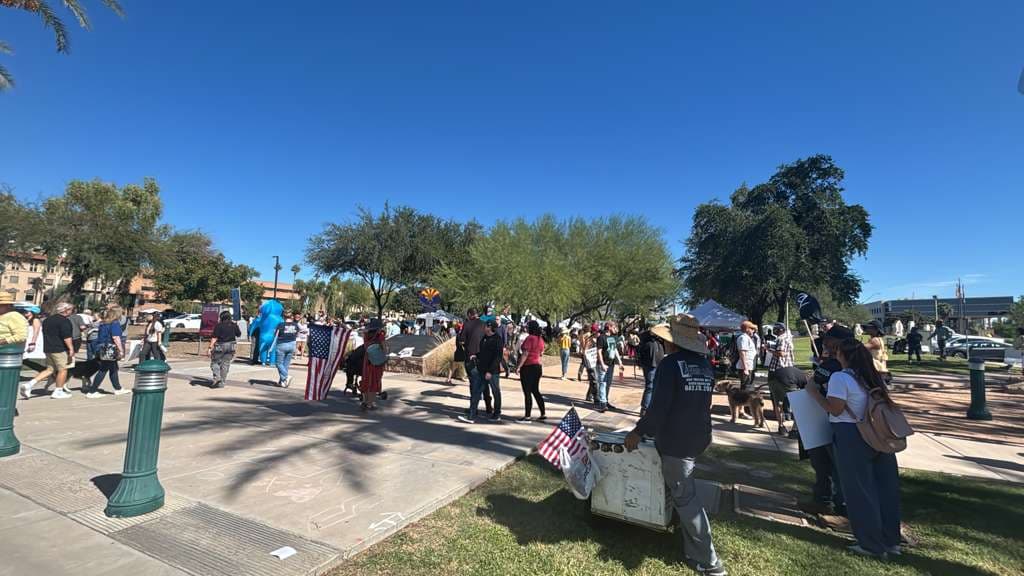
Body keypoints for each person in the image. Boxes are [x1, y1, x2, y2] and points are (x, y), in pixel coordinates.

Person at [624, 314, 725, 576]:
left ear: (672, 342)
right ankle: (691, 548)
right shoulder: (704, 365)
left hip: (677, 440)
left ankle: (710, 562)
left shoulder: (670, 365)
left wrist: (637, 432)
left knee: (686, 498)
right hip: (699, 436)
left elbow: (658, 409)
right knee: (683, 488)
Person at [806, 338, 902, 559]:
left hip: (852, 434)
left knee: (860, 491)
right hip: (880, 435)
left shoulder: (841, 378)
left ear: (843, 355)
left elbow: (835, 409)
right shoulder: (872, 376)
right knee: (885, 490)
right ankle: (890, 540)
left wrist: (814, 392)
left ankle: (870, 544)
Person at [21, 302, 75, 399]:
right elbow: (67, 337)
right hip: (59, 348)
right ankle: (58, 390)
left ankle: (29, 384)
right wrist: (71, 348)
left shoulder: (47, 320)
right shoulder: (64, 321)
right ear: (66, 310)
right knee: (63, 369)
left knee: (50, 369)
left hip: (48, 348)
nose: (72, 312)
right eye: (71, 310)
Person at [459, 319, 504, 423]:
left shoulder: (497, 340)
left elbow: (498, 357)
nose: (484, 328)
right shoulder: (484, 338)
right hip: (481, 369)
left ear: (490, 327)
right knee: (476, 391)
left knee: (495, 391)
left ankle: (497, 414)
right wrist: (476, 355)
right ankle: (471, 415)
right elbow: (483, 352)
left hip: (492, 372)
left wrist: (490, 371)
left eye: (486, 326)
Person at [86, 306, 128, 397]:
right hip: (109, 348)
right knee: (103, 369)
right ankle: (92, 391)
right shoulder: (115, 323)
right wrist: (121, 350)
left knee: (113, 368)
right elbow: (116, 337)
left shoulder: (103, 323)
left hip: (101, 346)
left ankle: (118, 388)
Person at [458, 308, 492, 415]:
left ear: (469, 314)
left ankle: (474, 408)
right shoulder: (484, 324)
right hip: (483, 357)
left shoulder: (467, 324)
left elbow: (462, 340)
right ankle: (488, 407)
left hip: (470, 357)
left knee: (473, 383)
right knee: (484, 384)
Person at [766, 323, 796, 434]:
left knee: (776, 400)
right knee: (788, 398)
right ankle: (790, 424)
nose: (774, 330)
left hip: (778, 371)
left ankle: (781, 425)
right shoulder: (789, 339)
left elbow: (781, 353)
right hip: (788, 370)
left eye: (776, 329)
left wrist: (769, 349)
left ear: (780, 330)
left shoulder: (781, 339)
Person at [515, 320, 547, 422]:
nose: (526, 328)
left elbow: (525, 354)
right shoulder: (540, 339)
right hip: (537, 366)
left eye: (528, 327)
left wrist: (518, 366)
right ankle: (543, 413)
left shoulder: (530, 339)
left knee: (527, 392)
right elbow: (541, 353)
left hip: (528, 367)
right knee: (536, 391)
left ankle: (527, 416)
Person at [208, 310, 241, 388]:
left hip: (220, 345)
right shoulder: (234, 325)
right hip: (231, 346)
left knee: (214, 362)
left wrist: (210, 347)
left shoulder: (219, 325)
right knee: (225, 364)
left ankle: (217, 377)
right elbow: (239, 334)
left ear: (221, 317)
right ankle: (222, 383)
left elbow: (214, 337)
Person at [636, 327, 665, 417]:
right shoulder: (646, 340)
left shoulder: (659, 341)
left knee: (656, 387)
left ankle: (651, 407)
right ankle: (644, 408)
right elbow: (640, 353)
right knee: (650, 386)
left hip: (658, 365)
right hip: (650, 366)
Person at [360, 319, 388, 411]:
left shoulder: (366, 335)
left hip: (367, 359)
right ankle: (370, 404)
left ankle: (364, 401)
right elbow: (384, 348)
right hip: (376, 360)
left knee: (366, 379)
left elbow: (365, 346)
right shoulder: (380, 335)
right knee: (374, 381)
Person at [595, 321, 622, 412]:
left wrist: (620, 362)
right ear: (609, 327)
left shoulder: (613, 337)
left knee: (608, 383)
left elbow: (615, 350)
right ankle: (602, 403)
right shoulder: (601, 337)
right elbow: (599, 351)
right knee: (603, 383)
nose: (615, 328)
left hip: (611, 364)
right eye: (614, 326)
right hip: (603, 364)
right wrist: (602, 364)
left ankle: (605, 400)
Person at [274, 311, 300, 388]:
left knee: (278, 363)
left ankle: (286, 376)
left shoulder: (281, 325)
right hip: (292, 344)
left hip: (282, 344)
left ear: (283, 317)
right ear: (291, 317)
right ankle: (282, 381)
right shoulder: (295, 325)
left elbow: (276, 334)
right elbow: (297, 334)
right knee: (285, 364)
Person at [735, 320, 758, 392]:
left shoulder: (747, 338)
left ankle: (744, 401)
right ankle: (742, 401)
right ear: (747, 329)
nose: (753, 331)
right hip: (745, 366)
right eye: (752, 329)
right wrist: (745, 368)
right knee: (745, 387)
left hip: (749, 365)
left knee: (747, 386)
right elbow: (742, 353)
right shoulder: (743, 338)